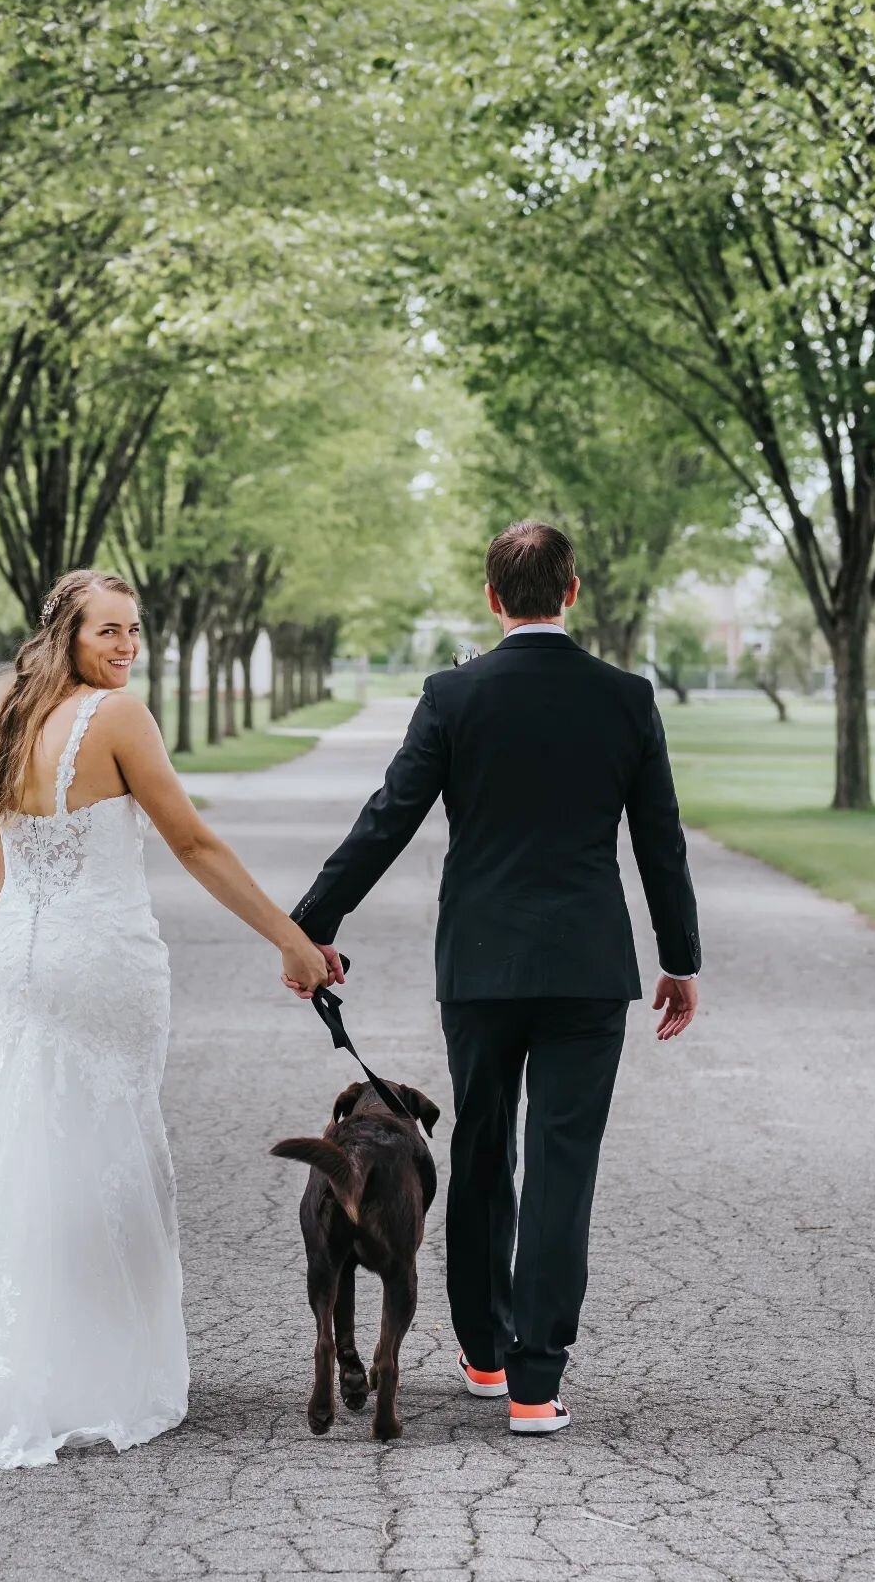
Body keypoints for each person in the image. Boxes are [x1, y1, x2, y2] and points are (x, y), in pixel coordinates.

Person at [0, 569, 333, 1470]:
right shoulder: (118, 719)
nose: (125, 647)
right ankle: (96, 1372)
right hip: (100, 962)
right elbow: (191, 842)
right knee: (102, 1149)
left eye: (135, 631)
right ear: (67, 635)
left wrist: (5, 969)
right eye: (107, 631)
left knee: (24, 1147)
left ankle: (15, 1360)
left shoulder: (7, 713)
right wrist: (291, 939)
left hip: (24, 961)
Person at [288, 521, 700, 1436]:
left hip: (479, 965)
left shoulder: (453, 694)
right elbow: (658, 839)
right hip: (589, 969)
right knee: (563, 1165)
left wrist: (312, 925)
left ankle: (481, 1348)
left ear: (491, 596)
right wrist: (680, 957)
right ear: (574, 591)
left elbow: (388, 816)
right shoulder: (627, 698)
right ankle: (533, 1382)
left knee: (478, 1151)